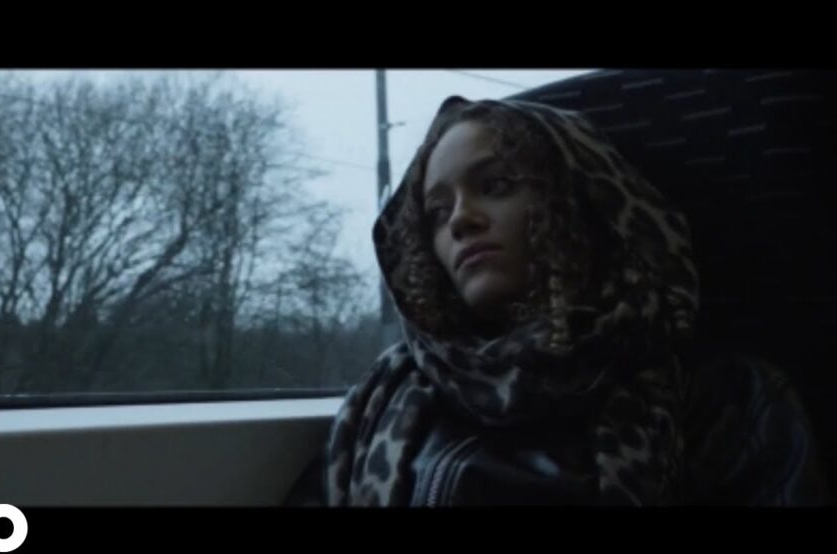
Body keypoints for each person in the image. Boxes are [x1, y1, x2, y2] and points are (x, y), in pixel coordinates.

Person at [287, 96, 828, 506]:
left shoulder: (726, 403)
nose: (460, 220)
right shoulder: (388, 397)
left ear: (577, 201)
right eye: (437, 212)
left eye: (496, 185)